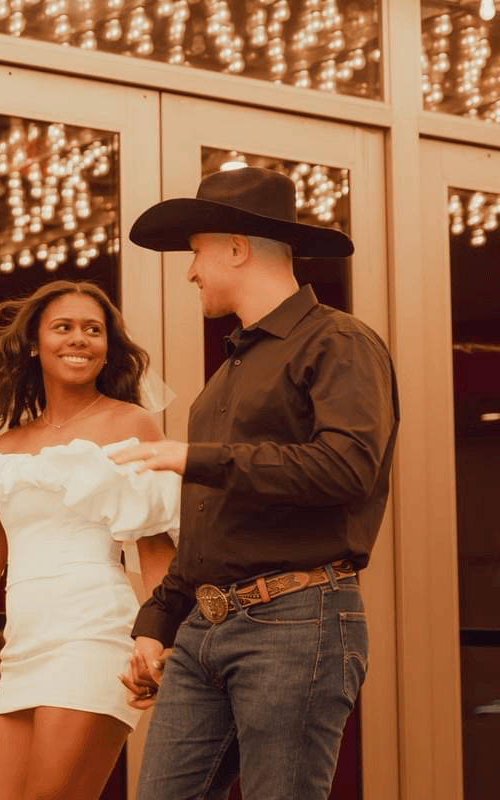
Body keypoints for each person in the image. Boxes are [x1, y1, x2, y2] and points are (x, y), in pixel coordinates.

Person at [113, 166, 400, 799]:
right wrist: (158, 621)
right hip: (203, 629)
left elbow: (347, 469)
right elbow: (215, 522)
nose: (191, 272)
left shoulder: (340, 342)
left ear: (237, 248)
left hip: (300, 619)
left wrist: (198, 458)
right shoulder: (227, 375)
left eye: (196, 254)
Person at [0, 280, 180, 800]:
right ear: (33, 344)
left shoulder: (129, 424)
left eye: (94, 329)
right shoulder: (4, 447)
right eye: (63, 327)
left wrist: (160, 643)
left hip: (95, 636)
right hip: (23, 650)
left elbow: (157, 551)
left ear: (107, 346)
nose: (80, 339)